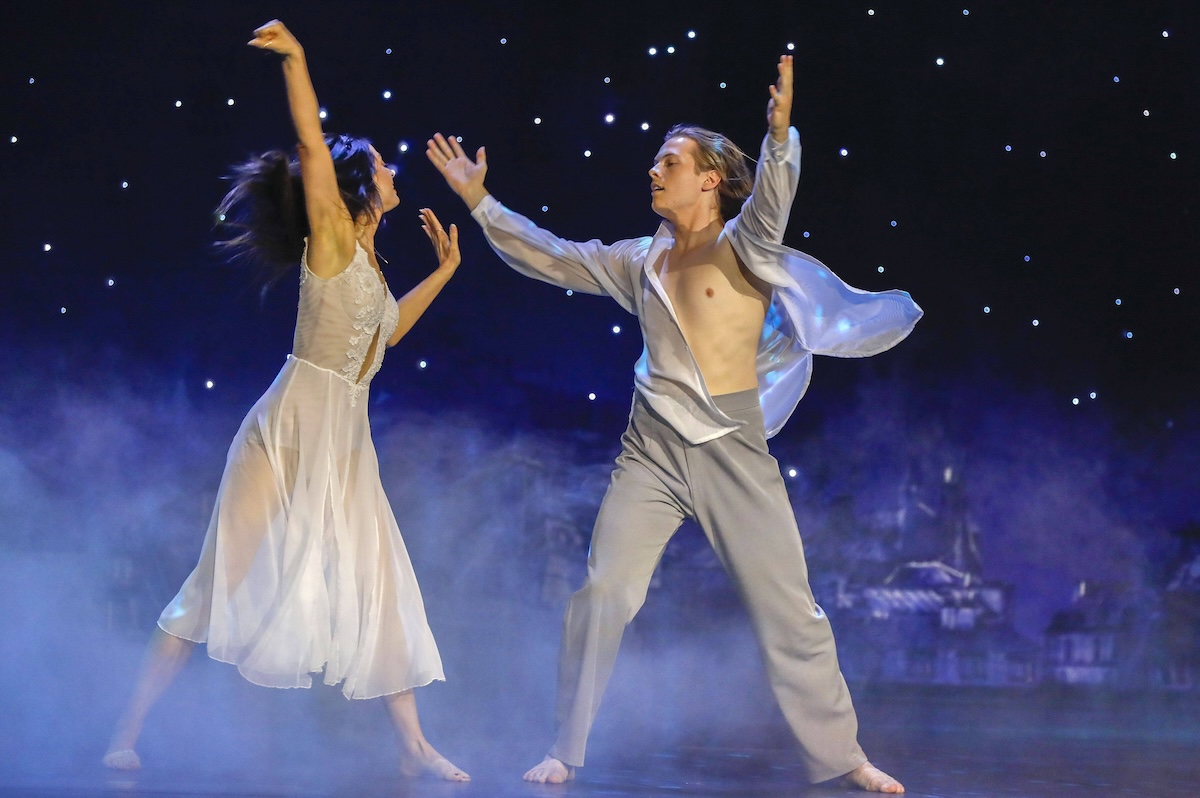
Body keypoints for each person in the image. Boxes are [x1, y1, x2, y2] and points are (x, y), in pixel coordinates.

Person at [427, 56, 919, 792]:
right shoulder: (638, 260)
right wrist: (481, 201)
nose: (654, 171)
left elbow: (773, 200)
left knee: (791, 609)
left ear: (709, 179)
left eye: (669, 161)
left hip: (733, 451)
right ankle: (565, 746)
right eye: (657, 161)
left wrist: (780, 137)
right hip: (650, 452)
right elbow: (555, 258)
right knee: (604, 593)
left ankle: (843, 756)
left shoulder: (744, 247)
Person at [102, 20, 468, 782]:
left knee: (379, 579)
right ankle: (128, 727)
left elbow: (388, 333)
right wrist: (298, 60)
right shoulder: (331, 238)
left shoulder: (368, 264)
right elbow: (309, 146)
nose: (394, 169)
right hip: (285, 429)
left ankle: (414, 742)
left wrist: (447, 270)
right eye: (381, 164)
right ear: (358, 186)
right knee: (216, 579)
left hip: (346, 441)